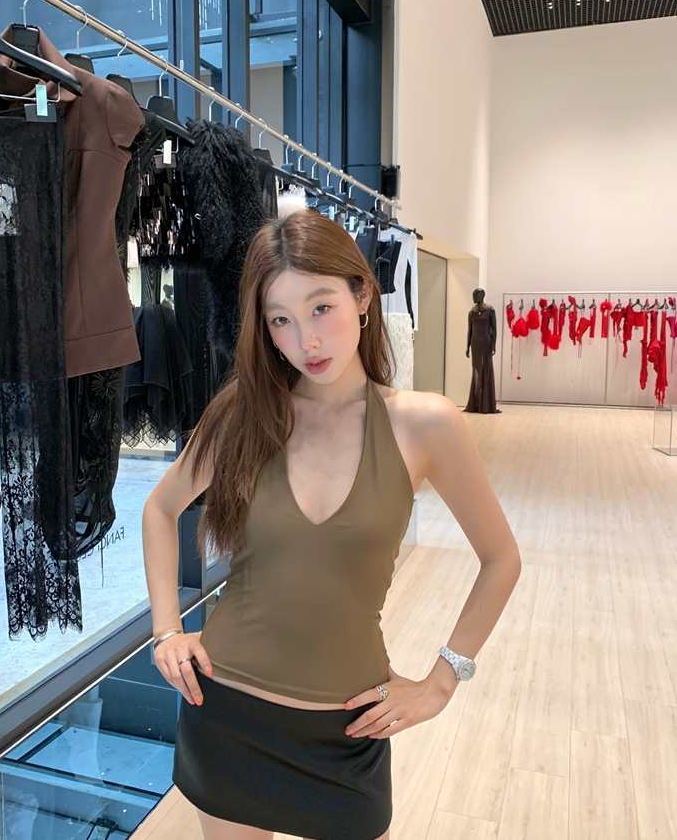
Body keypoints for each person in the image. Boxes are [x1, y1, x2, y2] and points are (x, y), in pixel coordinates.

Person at [142, 211, 521, 840]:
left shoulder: (425, 424)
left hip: (348, 729)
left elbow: (501, 558)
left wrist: (441, 681)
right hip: (226, 712)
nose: (307, 340)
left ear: (363, 295)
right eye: (281, 320)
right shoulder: (243, 413)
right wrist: (165, 632)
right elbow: (160, 509)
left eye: (321, 308)